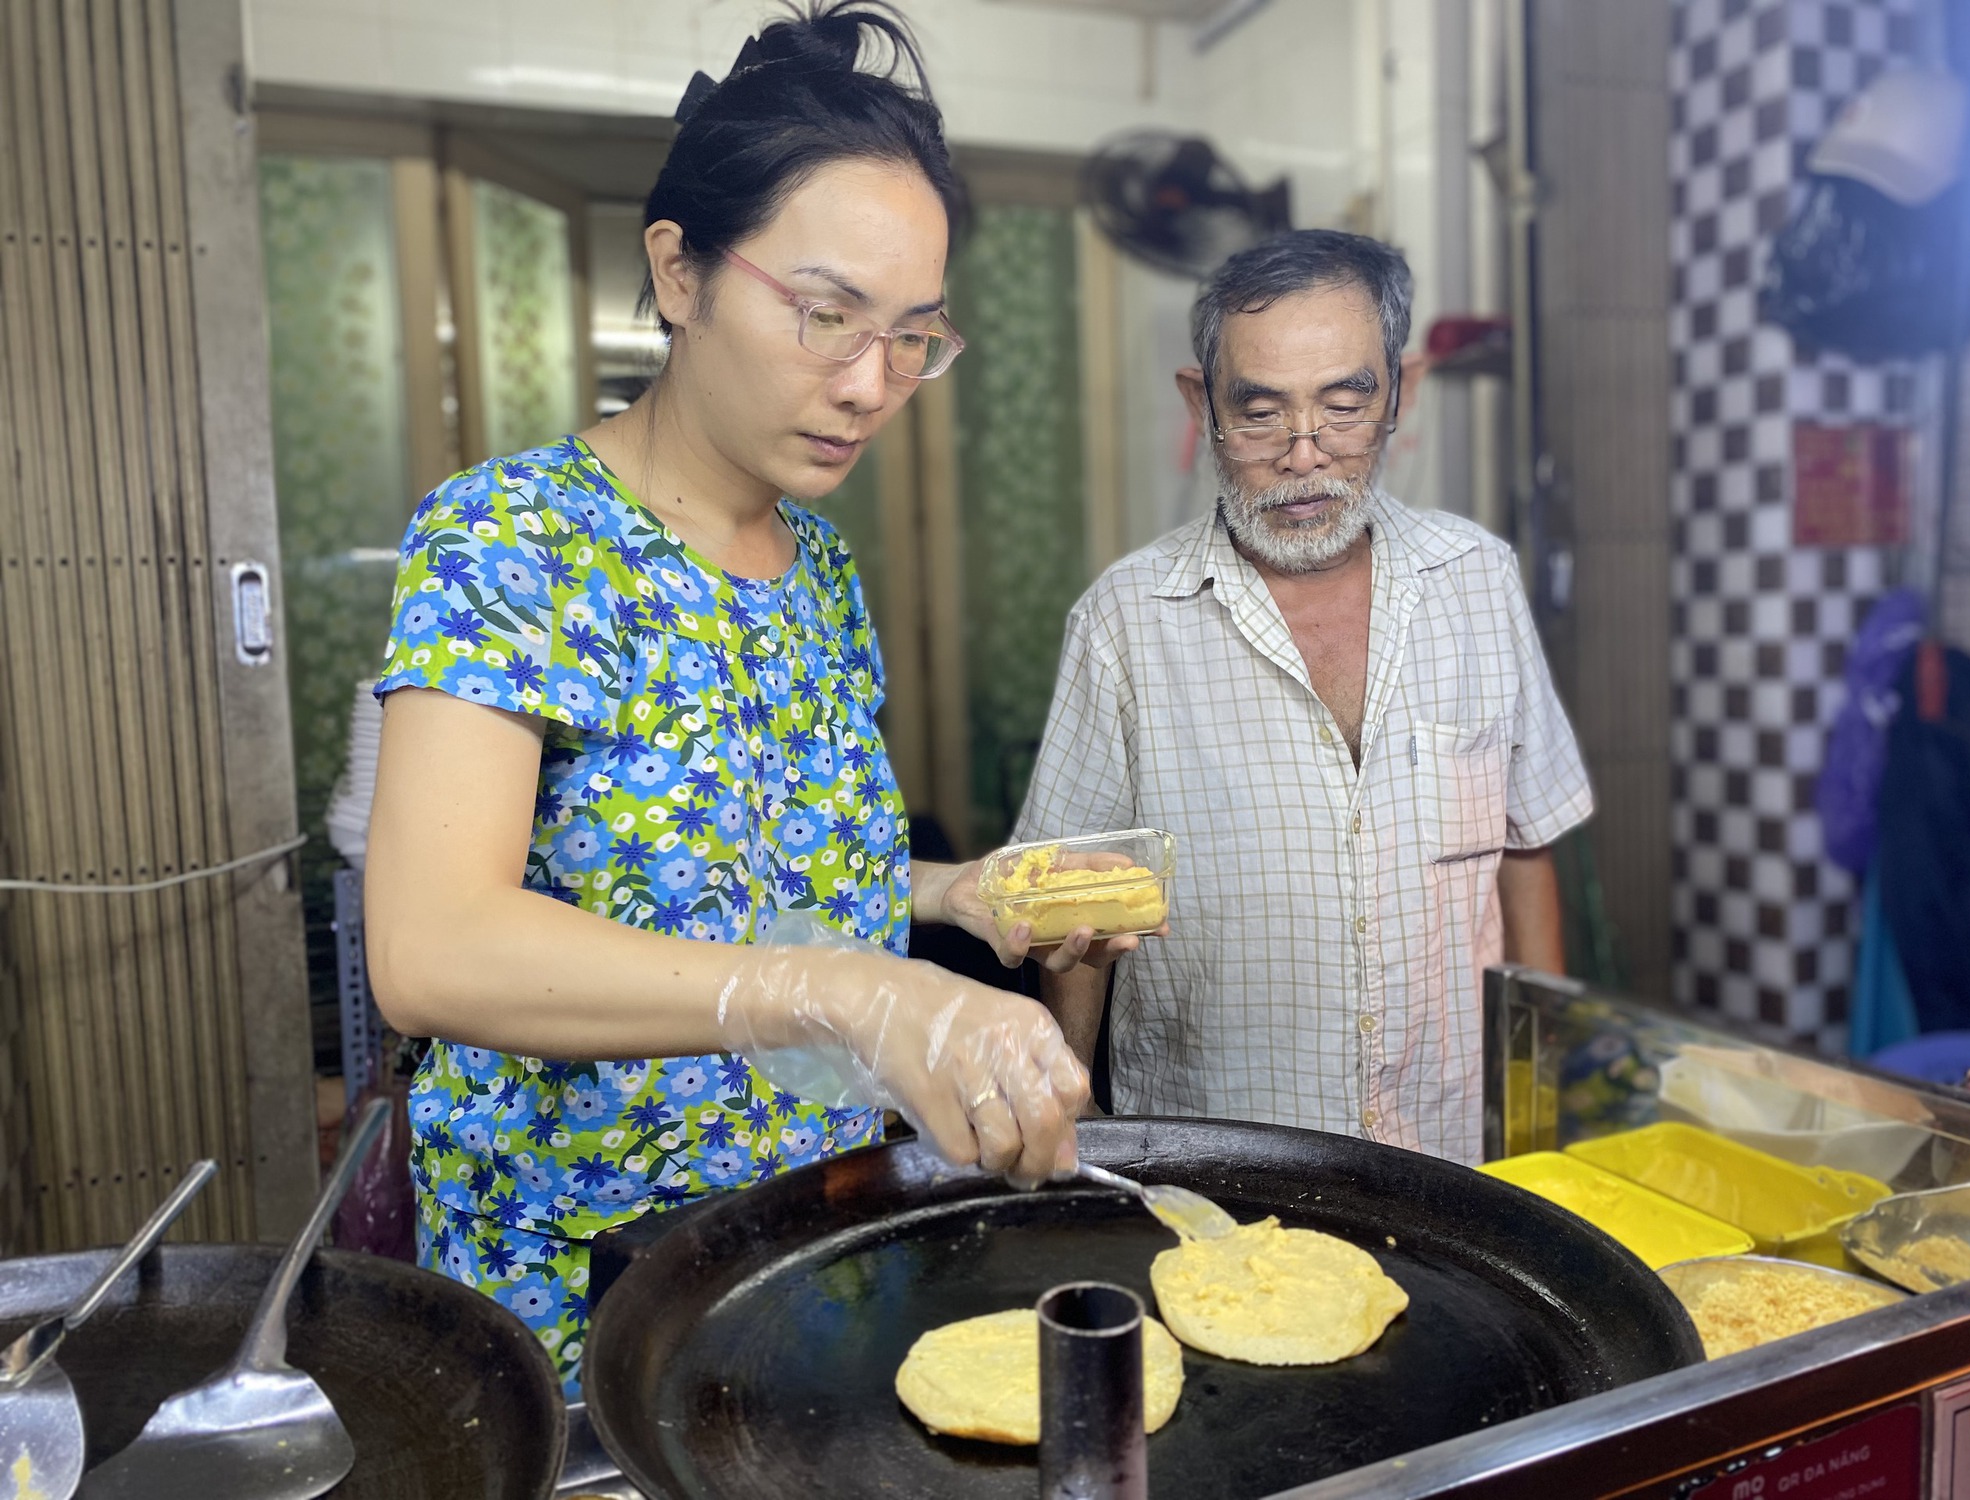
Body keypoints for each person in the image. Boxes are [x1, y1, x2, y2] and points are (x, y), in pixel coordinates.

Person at [364, 2, 1127, 1393]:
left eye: (913, 338)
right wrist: (834, 992)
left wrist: (954, 900)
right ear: (678, 270)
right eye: (827, 316)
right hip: (592, 1285)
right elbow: (431, 944)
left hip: (817, 1239)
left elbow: (750, 873)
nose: (869, 384)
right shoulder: (513, 540)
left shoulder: (818, 566)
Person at [1018, 229, 1590, 1163]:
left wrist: (1541, 1112)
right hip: (1222, 1171)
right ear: (1202, 406)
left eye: (1344, 404)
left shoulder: (1479, 580)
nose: (1304, 455)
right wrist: (1075, 1129)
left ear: (1395, 395)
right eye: (1261, 413)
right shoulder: (1125, 623)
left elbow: (1528, 855)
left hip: (1454, 1157)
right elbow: (1076, 916)